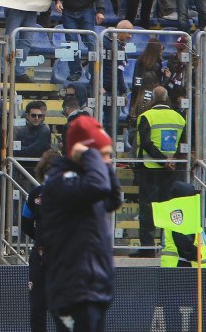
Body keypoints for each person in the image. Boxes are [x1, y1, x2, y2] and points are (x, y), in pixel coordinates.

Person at [39, 116, 121, 332]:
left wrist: (101, 160)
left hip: (94, 287)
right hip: (73, 288)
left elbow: (114, 198)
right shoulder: (61, 178)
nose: (105, 162)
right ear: (84, 152)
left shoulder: (88, 180)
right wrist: (91, 154)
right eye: (100, 155)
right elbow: (99, 188)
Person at [134, 86, 186, 257]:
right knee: (170, 209)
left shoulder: (146, 117)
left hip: (149, 170)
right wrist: (171, 161)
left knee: (148, 210)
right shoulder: (179, 118)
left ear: (153, 99)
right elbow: (183, 144)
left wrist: (162, 161)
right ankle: (169, 248)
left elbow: (146, 144)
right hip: (172, 171)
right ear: (166, 98)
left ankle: (147, 249)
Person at [21, 149, 57, 332]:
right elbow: (25, 224)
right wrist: (42, 240)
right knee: (37, 307)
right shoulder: (35, 195)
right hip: (40, 257)